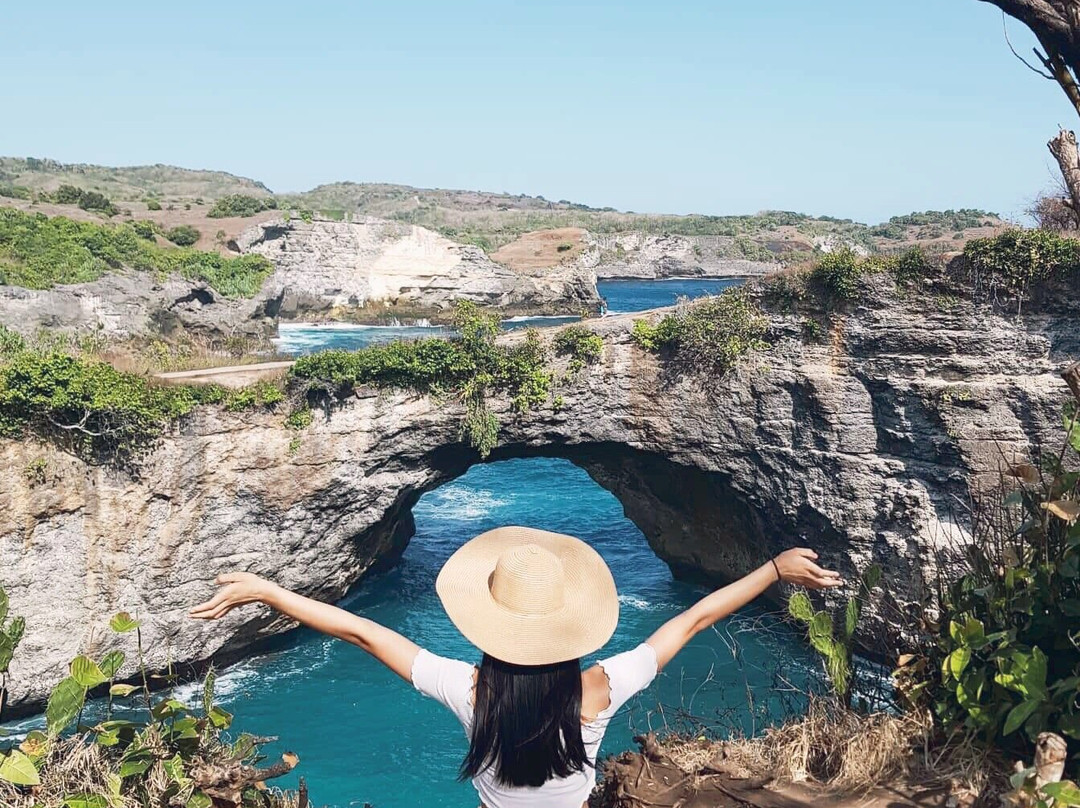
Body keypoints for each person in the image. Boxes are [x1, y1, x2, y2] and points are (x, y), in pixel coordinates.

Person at [190, 525, 842, 808]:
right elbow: (693, 620)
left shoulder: (471, 692)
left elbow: (362, 633)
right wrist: (772, 570)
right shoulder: (598, 689)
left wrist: (273, 593)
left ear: (489, 632)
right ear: (569, 629)